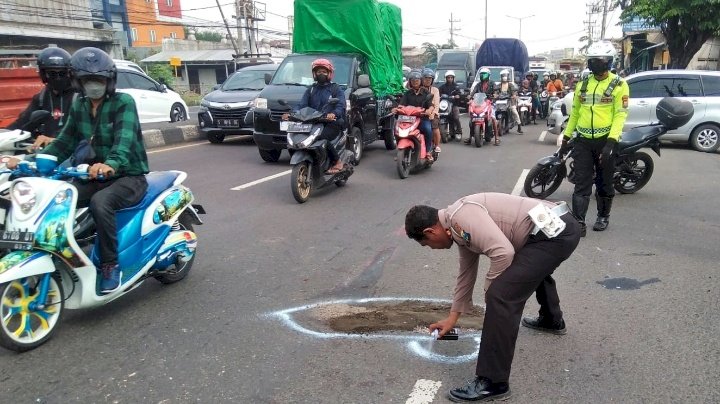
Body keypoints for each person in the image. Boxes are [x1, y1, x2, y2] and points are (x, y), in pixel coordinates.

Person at [405, 192, 582, 402]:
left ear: (430, 231)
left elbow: (503, 253)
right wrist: (452, 318)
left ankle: (493, 382)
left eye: (427, 244)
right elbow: (466, 273)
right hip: (551, 228)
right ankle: (551, 319)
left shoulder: (461, 218)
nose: (432, 249)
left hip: (554, 233)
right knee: (526, 270)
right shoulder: (456, 225)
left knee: (501, 296)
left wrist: (492, 292)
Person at [8, 47, 149, 294]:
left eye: (99, 80)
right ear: (78, 82)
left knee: (100, 202)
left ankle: (109, 264)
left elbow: (123, 141)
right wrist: (33, 161)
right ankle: (57, 252)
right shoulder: (80, 105)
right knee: (57, 197)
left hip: (129, 176)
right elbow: (64, 141)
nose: (94, 85)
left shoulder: (123, 102)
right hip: (93, 175)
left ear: (109, 80)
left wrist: (110, 164)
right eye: (87, 80)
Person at [563, 41, 629, 236]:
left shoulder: (619, 84)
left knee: (604, 182)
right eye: (592, 61)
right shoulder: (583, 84)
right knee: (581, 182)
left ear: (609, 62)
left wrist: (611, 142)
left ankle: (603, 216)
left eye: (598, 61)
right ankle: (579, 222)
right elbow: (575, 113)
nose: (594, 64)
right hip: (583, 140)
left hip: (605, 141)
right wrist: (567, 136)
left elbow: (620, 114)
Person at [282, 58, 346, 174]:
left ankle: (337, 161)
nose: (321, 74)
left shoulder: (335, 89)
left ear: (329, 73)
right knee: (300, 137)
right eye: (318, 72)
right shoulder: (311, 90)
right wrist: (292, 114)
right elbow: (302, 105)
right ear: (314, 74)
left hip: (332, 122)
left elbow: (340, 105)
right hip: (313, 121)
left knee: (322, 138)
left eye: (324, 71)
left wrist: (333, 114)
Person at [7, 46, 78, 148]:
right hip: (44, 150)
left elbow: (84, 133)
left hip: (69, 151)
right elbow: (21, 124)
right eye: (52, 74)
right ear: (43, 74)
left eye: (62, 73)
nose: (57, 78)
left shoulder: (79, 97)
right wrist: (5, 133)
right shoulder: (41, 98)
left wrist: (54, 140)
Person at [393, 69, 433, 161]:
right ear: (410, 82)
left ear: (421, 81)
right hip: (408, 119)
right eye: (413, 80)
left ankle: (428, 151)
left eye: (417, 80)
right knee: (397, 129)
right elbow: (401, 105)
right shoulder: (407, 93)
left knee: (428, 129)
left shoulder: (426, 93)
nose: (415, 82)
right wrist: (396, 109)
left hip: (422, 118)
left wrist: (429, 110)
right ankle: (399, 149)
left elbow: (430, 105)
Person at [467, 67, 498, 144]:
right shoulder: (478, 84)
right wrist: (470, 96)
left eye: (484, 75)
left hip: (490, 103)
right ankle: (470, 137)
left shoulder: (492, 83)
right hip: (479, 103)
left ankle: (496, 138)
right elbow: (473, 92)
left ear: (488, 75)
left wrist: (495, 95)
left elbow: (496, 91)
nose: (483, 76)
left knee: (493, 118)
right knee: (472, 119)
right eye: (481, 75)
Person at [496, 69, 523, 134]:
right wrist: (495, 95)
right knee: (494, 111)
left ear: (508, 76)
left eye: (505, 75)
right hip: (501, 102)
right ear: (501, 77)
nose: (504, 77)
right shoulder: (499, 85)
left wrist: (513, 95)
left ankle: (519, 126)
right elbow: (496, 92)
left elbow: (514, 92)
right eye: (503, 76)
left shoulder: (510, 85)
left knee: (514, 112)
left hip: (510, 101)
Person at [421, 68, 441, 153]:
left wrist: (433, 113)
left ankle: (436, 145)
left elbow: (436, 104)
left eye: (430, 79)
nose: (428, 80)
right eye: (426, 78)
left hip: (432, 113)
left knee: (434, 128)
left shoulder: (435, 90)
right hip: (420, 113)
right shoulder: (419, 89)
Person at [438, 70, 463, 140]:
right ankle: (443, 131)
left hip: (454, 104)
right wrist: (437, 96)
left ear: (453, 78)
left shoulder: (456, 86)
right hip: (444, 105)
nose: (450, 79)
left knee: (456, 117)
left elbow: (459, 93)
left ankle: (459, 132)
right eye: (448, 77)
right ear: (445, 78)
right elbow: (438, 93)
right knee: (441, 116)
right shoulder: (442, 87)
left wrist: (458, 95)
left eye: (451, 77)